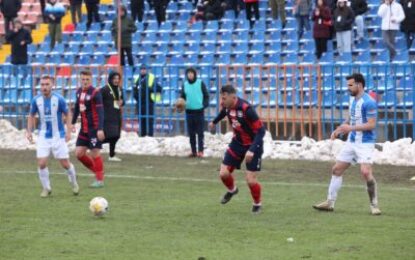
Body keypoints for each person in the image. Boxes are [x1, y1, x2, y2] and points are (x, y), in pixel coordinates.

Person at [313, 73, 381, 216]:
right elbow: (351, 119)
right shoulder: (352, 101)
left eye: (350, 85)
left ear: (359, 85)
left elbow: (371, 124)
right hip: (352, 141)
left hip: (365, 143)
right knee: (336, 169)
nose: (348, 88)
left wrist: (349, 128)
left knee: (365, 172)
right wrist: (339, 129)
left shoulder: (369, 102)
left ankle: (374, 205)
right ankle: (329, 203)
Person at [208, 85, 266, 214]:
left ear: (233, 97)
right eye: (221, 98)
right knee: (223, 174)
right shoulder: (227, 107)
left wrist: (251, 150)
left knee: (250, 180)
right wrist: (214, 122)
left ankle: (257, 204)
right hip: (237, 143)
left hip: (253, 145)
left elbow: (261, 131)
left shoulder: (246, 109)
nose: (222, 102)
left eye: (224, 98)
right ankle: (232, 190)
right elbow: (224, 112)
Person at [26, 75, 79, 198]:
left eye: (47, 84)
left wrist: (68, 131)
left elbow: (68, 114)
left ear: (52, 85)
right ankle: (46, 188)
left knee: (65, 164)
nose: (44, 87)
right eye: (42, 84)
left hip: (58, 135)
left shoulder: (59, 99)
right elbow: (31, 115)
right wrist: (29, 131)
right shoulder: (36, 100)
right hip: (43, 136)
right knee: (42, 163)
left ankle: (74, 183)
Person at [71, 70, 106, 188]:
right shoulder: (78, 92)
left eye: (87, 80)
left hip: (94, 128)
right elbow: (76, 108)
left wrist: (100, 129)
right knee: (79, 153)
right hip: (84, 128)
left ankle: (100, 180)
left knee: (94, 152)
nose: (85, 82)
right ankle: (97, 172)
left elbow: (101, 112)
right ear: (80, 80)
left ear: (91, 80)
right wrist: (72, 122)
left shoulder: (96, 93)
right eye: (83, 79)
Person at [180, 67, 209, 158]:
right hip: (189, 111)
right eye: (188, 73)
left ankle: (201, 151)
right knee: (191, 133)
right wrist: (180, 104)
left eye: (191, 73)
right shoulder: (185, 85)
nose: (190, 75)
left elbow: (206, 95)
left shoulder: (200, 83)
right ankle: (193, 151)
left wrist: (204, 105)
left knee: (200, 133)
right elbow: (182, 97)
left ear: (194, 74)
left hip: (199, 111)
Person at [133, 65, 162, 137]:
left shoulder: (151, 78)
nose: (143, 70)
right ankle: (142, 136)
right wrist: (137, 98)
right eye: (141, 69)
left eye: (144, 69)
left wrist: (149, 89)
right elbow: (134, 91)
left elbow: (159, 88)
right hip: (140, 103)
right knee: (141, 121)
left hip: (149, 103)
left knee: (149, 121)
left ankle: (150, 136)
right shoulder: (137, 79)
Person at [101, 71, 123, 162]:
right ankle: (93, 144)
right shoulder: (105, 89)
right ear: (110, 79)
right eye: (114, 78)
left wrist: (122, 102)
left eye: (118, 79)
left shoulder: (120, 89)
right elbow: (98, 101)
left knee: (116, 135)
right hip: (107, 116)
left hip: (117, 115)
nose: (116, 80)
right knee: (110, 135)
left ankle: (112, 155)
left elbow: (122, 100)